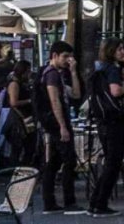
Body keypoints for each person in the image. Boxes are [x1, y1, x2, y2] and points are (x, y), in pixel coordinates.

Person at [86, 40, 124, 218]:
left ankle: (95, 203)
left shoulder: (100, 69)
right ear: (112, 51)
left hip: (103, 122)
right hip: (114, 123)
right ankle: (100, 203)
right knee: (113, 164)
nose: (123, 51)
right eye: (119, 48)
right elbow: (116, 92)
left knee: (109, 163)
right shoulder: (111, 69)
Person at [38, 41, 82, 213]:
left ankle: (50, 202)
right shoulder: (51, 75)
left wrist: (73, 71)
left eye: (70, 56)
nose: (68, 60)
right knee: (69, 160)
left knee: (55, 162)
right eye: (65, 56)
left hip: (56, 124)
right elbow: (54, 100)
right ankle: (68, 201)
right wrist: (62, 126)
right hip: (57, 124)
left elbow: (76, 94)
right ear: (54, 56)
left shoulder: (58, 74)